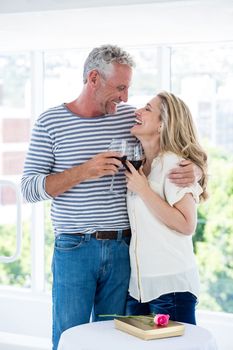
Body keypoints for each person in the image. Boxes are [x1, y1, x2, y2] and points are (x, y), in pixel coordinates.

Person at [21, 45, 200, 349]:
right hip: (75, 248)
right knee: (70, 336)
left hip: (124, 251)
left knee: (114, 338)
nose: (126, 97)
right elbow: (28, 189)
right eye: (120, 87)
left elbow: (177, 140)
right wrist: (84, 171)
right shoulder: (50, 123)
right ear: (93, 78)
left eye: (128, 88)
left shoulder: (130, 119)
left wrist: (196, 169)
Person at [125, 91, 208, 325]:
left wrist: (143, 190)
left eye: (147, 109)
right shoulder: (141, 165)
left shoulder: (175, 165)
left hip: (171, 289)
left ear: (163, 124)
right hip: (139, 288)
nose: (137, 112)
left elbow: (187, 224)